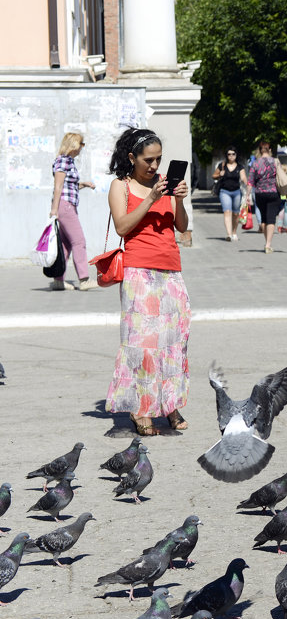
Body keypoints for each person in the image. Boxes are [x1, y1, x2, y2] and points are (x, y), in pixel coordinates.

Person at [104, 127, 191, 437]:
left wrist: (178, 200)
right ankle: (141, 409)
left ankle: (168, 404)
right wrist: (151, 198)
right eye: (148, 160)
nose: (155, 166)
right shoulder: (121, 186)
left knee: (171, 343)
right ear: (132, 158)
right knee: (142, 344)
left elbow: (181, 226)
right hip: (139, 271)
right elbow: (122, 227)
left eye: (159, 160)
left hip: (171, 270)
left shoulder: (165, 184)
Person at [48, 132, 97, 290]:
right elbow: (58, 187)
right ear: (74, 145)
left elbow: (70, 187)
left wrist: (85, 184)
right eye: (81, 144)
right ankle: (84, 280)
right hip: (65, 206)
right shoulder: (63, 161)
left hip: (67, 205)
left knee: (66, 244)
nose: (82, 148)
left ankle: (58, 280)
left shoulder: (68, 161)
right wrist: (54, 210)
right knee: (79, 241)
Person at [247, 141, 283, 254]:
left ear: (259, 150)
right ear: (270, 150)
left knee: (263, 219)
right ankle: (268, 244)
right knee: (271, 218)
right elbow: (281, 177)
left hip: (260, 194)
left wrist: (247, 195)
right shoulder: (275, 162)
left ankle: (267, 242)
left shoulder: (255, 163)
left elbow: (250, 181)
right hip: (273, 193)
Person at [212, 146, 247, 242]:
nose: (231, 156)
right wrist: (220, 174)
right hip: (224, 191)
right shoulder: (222, 165)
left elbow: (243, 177)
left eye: (233, 154)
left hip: (236, 192)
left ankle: (234, 232)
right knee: (227, 212)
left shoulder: (240, 167)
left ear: (236, 155)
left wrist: (246, 183)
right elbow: (214, 176)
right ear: (226, 155)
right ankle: (228, 234)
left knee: (235, 213)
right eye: (229, 154)